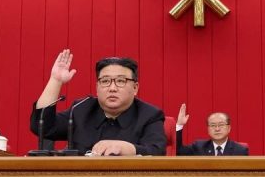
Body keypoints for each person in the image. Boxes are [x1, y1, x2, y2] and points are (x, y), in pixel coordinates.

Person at [30, 49, 165, 156]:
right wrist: (56, 81)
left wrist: (127, 148)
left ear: (135, 88)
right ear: (97, 87)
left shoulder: (149, 115)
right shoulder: (81, 110)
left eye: (120, 81)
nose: (112, 88)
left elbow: (157, 151)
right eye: (105, 81)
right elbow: (42, 126)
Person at [175, 104, 248, 155]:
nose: (217, 129)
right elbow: (178, 152)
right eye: (213, 125)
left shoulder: (240, 150)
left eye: (221, 125)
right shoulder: (199, 147)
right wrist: (179, 125)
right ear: (208, 129)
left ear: (229, 128)